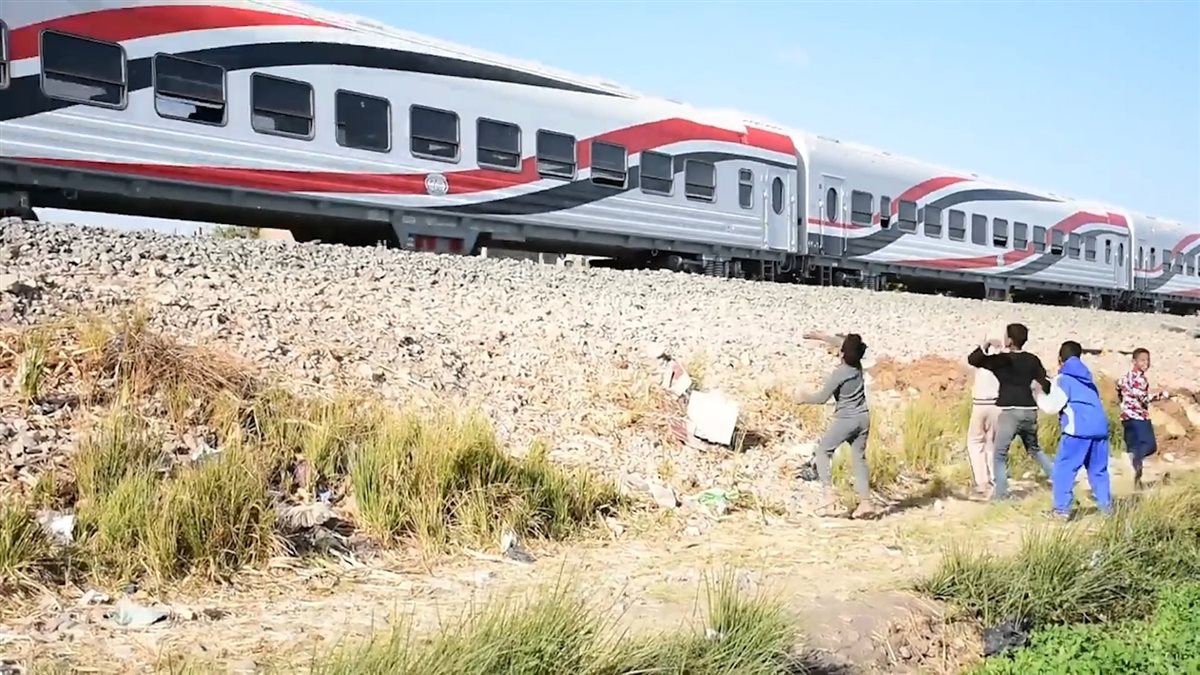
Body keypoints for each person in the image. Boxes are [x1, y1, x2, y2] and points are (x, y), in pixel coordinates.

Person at [966, 323, 1054, 502]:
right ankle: (1059, 478)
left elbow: (974, 360)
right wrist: (1039, 390)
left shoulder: (1003, 360)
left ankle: (1001, 494)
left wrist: (986, 344)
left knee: (999, 454)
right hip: (1029, 410)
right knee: (1035, 450)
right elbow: (1045, 382)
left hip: (1010, 411)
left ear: (1010, 340)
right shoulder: (1032, 359)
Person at [797, 332, 879, 519]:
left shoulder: (840, 373)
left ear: (842, 353)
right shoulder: (857, 365)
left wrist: (803, 397)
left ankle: (828, 494)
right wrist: (820, 336)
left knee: (823, 452)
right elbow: (843, 343)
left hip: (846, 419)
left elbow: (821, 398)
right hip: (863, 418)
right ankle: (866, 503)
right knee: (859, 459)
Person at [1044, 341, 1113, 519]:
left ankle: (1061, 510)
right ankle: (1106, 510)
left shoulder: (1063, 379)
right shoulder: (1089, 381)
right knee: (1098, 471)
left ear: (1060, 359)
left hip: (1078, 431)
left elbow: (1051, 407)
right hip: (1100, 429)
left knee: (1064, 469)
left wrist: (1037, 393)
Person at [1116, 348, 1169, 490]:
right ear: (1134, 361)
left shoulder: (1125, 377)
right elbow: (1144, 398)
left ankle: (1135, 482)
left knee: (1134, 447)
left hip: (1126, 417)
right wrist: (1161, 395)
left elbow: (1119, 387)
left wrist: (1124, 403)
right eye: (1142, 360)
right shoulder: (1140, 379)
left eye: (1147, 360)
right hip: (1138, 417)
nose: (1146, 363)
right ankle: (1133, 460)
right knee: (1150, 446)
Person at [966, 339, 1001, 499]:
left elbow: (972, 358)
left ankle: (982, 483)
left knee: (975, 442)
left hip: (980, 404)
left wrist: (985, 344)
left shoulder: (982, 362)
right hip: (997, 404)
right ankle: (995, 479)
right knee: (992, 444)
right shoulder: (1005, 362)